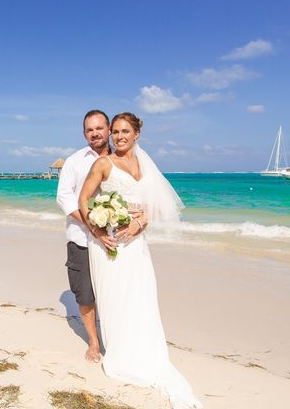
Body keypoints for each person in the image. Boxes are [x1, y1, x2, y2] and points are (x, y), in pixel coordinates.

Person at [78, 112, 202, 409]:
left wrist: (141, 223)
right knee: (117, 298)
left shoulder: (144, 164)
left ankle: (145, 351)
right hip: (111, 244)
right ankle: (122, 352)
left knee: (142, 296)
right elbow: (83, 201)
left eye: (125, 132)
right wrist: (97, 231)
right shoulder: (103, 164)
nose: (119, 137)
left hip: (137, 243)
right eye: (116, 132)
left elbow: (158, 204)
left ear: (136, 135)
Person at [56, 109, 115, 363]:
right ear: (84, 133)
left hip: (116, 240)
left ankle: (117, 339)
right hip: (81, 238)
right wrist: (93, 224)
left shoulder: (122, 159)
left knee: (114, 292)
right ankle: (94, 341)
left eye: (99, 128)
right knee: (85, 294)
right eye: (89, 130)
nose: (95, 133)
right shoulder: (74, 161)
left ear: (109, 129)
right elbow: (64, 197)